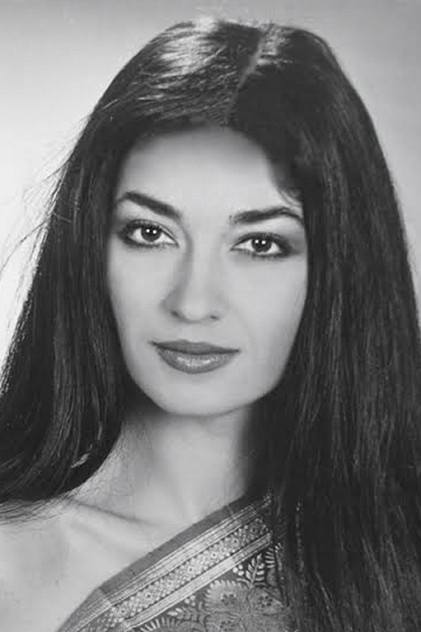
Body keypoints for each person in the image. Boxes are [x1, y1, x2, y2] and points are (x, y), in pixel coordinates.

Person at [0, 15, 420, 632]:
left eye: (260, 244)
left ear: (340, 268)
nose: (194, 303)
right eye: (150, 233)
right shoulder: (15, 566)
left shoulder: (396, 544)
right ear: (90, 246)